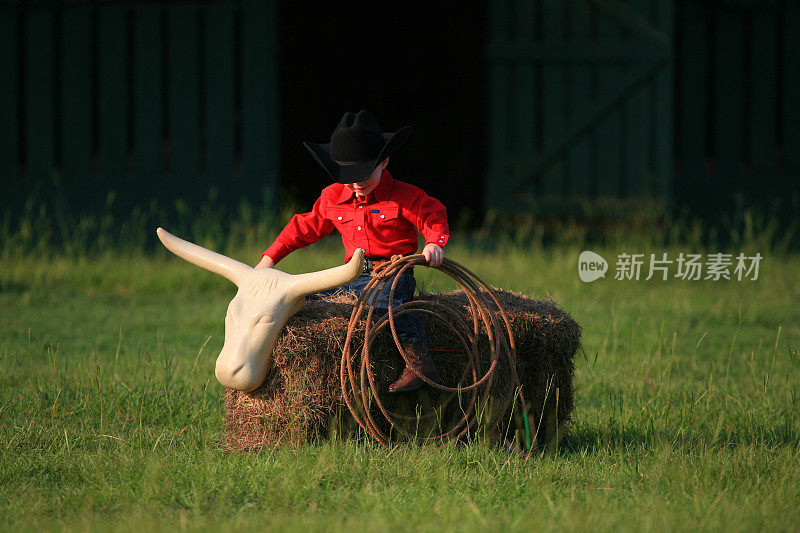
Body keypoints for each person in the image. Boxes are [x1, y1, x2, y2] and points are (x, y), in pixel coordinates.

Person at [255, 110, 449, 392]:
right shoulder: (332, 197)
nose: (356, 183)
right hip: (353, 274)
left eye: (364, 174)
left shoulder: (406, 196)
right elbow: (304, 227)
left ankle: (419, 361)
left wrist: (434, 242)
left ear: (384, 161)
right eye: (348, 176)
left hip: (393, 272)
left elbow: (432, 215)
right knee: (305, 301)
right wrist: (269, 258)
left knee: (382, 307)